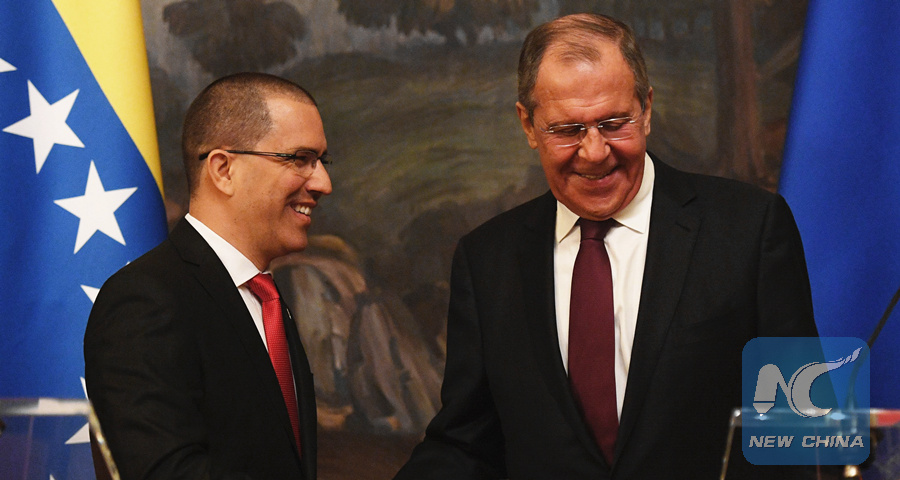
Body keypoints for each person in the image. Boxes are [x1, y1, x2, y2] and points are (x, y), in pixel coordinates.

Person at [393, 13, 818, 480]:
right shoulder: (487, 260)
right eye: (567, 130)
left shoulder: (749, 229)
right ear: (528, 125)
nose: (595, 152)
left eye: (614, 123)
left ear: (647, 109)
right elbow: (465, 444)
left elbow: (800, 429)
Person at [84, 72, 331, 479]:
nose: (323, 182)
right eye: (299, 159)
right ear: (223, 169)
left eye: (322, 161)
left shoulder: (267, 301)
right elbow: (162, 472)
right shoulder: (144, 299)